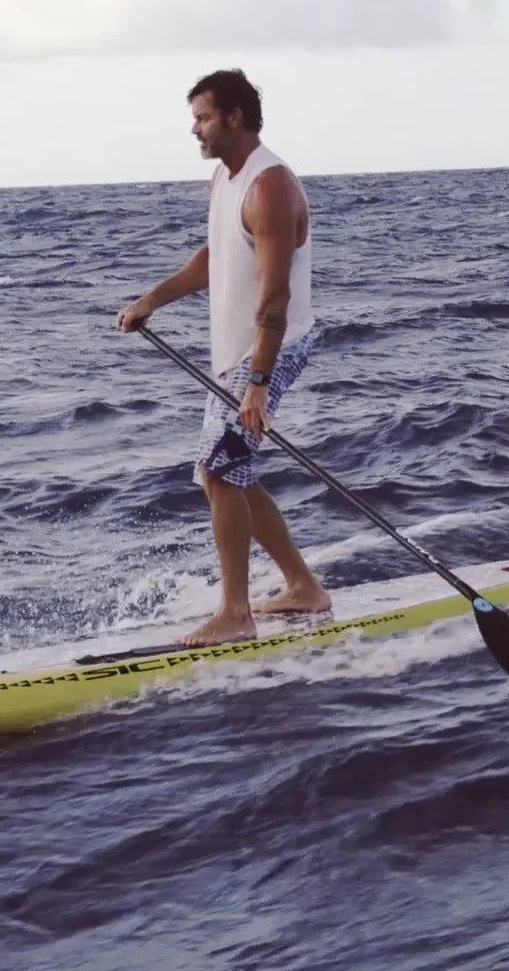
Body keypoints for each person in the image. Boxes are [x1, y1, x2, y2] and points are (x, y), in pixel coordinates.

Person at [115, 69, 330, 646]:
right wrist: (152, 299)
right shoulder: (225, 180)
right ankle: (303, 587)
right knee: (224, 475)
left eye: (204, 118)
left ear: (234, 117)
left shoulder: (271, 187)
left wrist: (258, 382)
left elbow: (276, 297)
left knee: (219, 470)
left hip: (272, 347)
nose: (195, 129)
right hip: (236, 354)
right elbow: (216, 256)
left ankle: (236, 614)